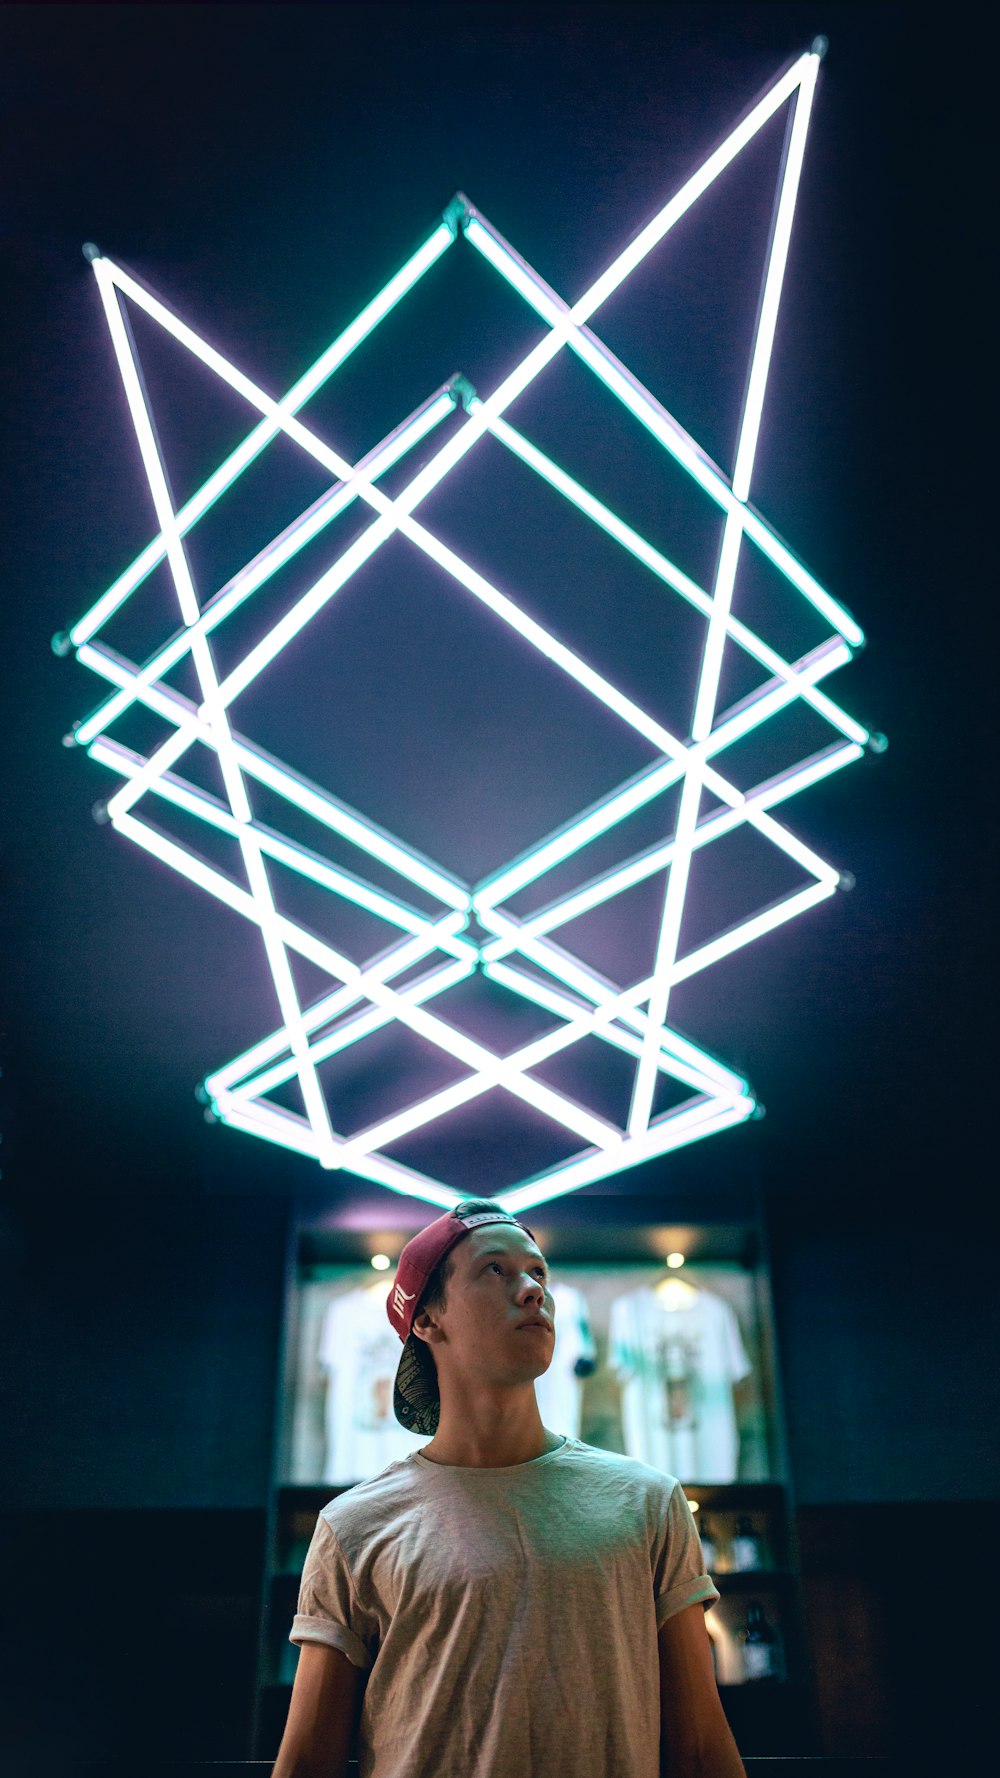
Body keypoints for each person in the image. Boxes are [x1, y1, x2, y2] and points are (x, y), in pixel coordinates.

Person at [273, 1198, 746, 1778]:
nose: (532, 1291)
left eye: (539, 1273)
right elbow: (307, 1763)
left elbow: (701, 1748)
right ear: (426, 1318)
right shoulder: (355, 1526)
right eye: (494, 1270)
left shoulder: (647, 1503)